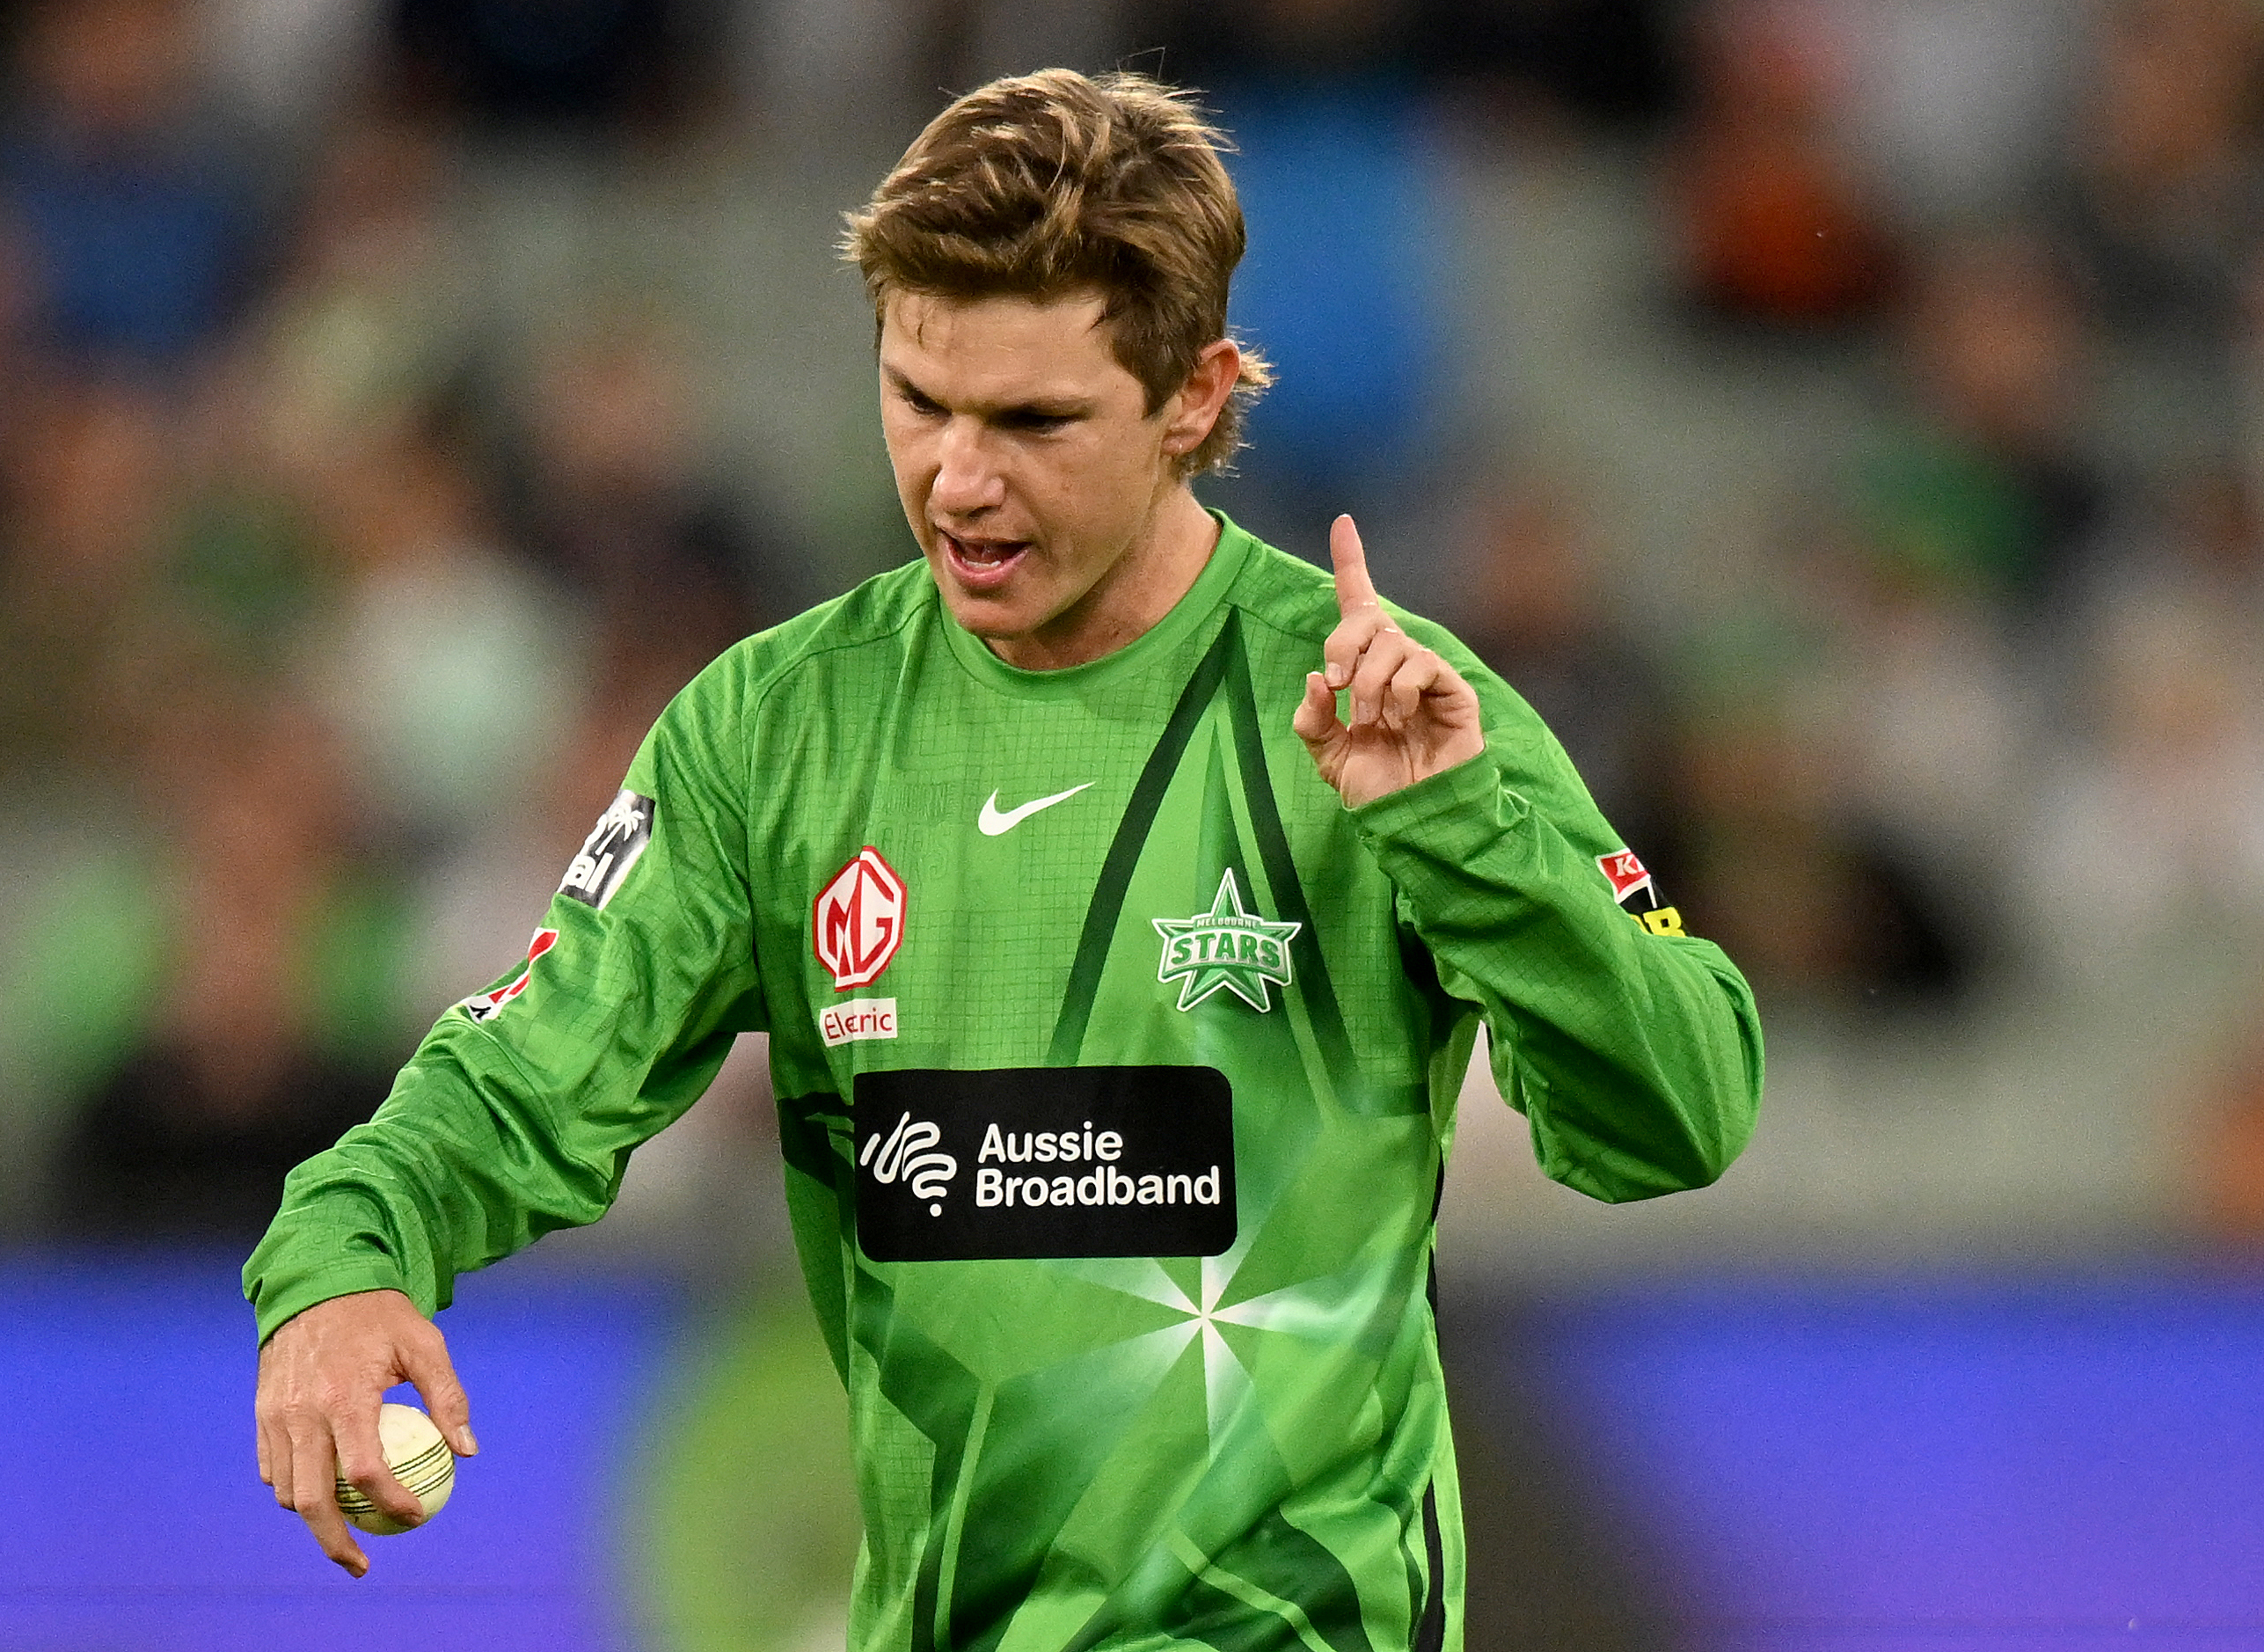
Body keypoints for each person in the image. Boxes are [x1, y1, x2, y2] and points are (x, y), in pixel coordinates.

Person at [245, 69, 1763, 1651]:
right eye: (919, 399)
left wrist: (1457, 833)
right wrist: (345, 1262)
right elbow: (520, 1075)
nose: (958, 480)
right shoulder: (777, 732)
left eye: (1034, 421)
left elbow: (1675, 1109)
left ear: (1197, 396)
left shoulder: (1380, 703)